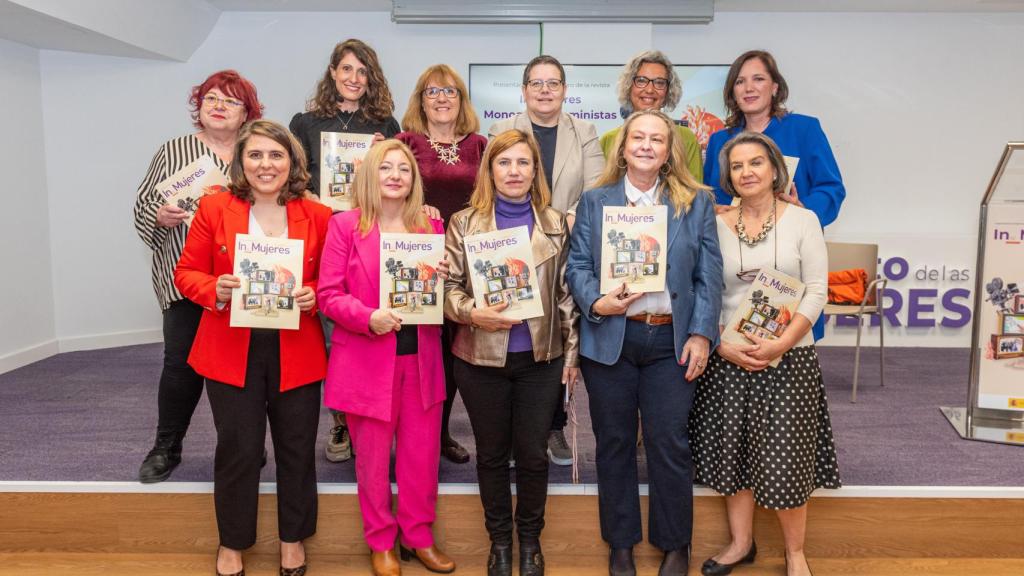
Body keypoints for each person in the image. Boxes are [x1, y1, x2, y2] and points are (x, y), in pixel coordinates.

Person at [566, 110, 722, 576]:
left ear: (669, 149)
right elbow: (577, 266)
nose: (648, 145)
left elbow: (708, 276)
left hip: (670, 341)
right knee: (613, 443)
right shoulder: (595, 201)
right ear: (624, 144)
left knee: (668, 442)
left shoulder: (695, 202)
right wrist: (597, 301)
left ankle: (676, 544)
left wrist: (701, 334)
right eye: (639, 137)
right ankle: (620, 543)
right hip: (612, 338)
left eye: (658, 138)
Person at [174, 119, 332, 576]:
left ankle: (292, 539)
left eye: (276, 155)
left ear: (292, 161)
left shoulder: (318, 215)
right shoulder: (214, 208)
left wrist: (315, 293)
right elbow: (186, 273)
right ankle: (232, 542)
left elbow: (335, 279)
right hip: (230, 345)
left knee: (298, 447)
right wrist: (215, 289)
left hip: (296, 346)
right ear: (241, 161)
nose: (266, 164)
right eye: (256, 155)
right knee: (239, 447)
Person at [690, 131, 841, 576]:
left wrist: (781, 342)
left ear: (775, 169)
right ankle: (741, 544)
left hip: (789, 359)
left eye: (756, 163)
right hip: (730, 358)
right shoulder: (716, 223)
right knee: (733, 454)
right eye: (737, 166)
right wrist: (720, 343)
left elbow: (816, 291)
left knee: (786, 457)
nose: (747, 172)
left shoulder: (803, 220)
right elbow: (707, 291)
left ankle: (795, 554)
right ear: (728, 177)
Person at [444, 129, 579, 576]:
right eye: (504, 163)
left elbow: (565, 296)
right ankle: (500, 541)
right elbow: (447, 289)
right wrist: (473, 312)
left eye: (523, 163)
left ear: (535, 170)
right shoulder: (464, 223)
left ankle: (531, 541)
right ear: (490, 170)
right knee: (492, 454)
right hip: (479, 359)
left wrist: (572, 356)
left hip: (540, 359)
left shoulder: (555, 223)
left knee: (535, 454)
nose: (514, 171)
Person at [319, 139, 455, 576]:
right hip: (367, 357)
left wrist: (443, 279)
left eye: (404, 169)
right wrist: (367, 317)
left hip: (422, 358)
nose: (395, 175)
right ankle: (380, 541)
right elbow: (327, 295)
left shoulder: (431, 229)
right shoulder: (344, 226)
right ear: (369, 175)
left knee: (421, 455)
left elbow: (442, 295)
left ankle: (419, 536)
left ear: (414, 179)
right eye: (386, 168)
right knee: (373, 460)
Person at [133, 70, 262, 484]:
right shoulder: (174, 150)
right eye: (211, 99)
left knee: (244, 368)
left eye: (230, 101)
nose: (219, 107)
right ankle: (166, 446)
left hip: (245, 282)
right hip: (188, 278)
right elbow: (142, 205)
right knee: (180, 366)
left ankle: (246, 444)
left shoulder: (256, 152)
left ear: (246, 113)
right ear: (199, 106)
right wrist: (159, 215)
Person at [487, 54, 604, 467]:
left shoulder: (584, 130)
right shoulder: (503, 129)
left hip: (567, 240)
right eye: (536, 83)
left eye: (553, 83)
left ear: (565, 90)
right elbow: (491, 181)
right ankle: (514, 426)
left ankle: (553, 424)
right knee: (519, 331)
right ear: (523, 90)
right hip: (514, 241)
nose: (545, 90)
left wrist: (566, 217)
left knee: (558, 328)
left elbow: (594, 188)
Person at [289, 38, 402, 464]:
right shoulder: (305, 122)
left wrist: (382, 155)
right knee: (332, 334)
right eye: (347, 69)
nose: (354, 78)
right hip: (322, 233)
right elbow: (290, 177)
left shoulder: (385, 125)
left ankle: (372, 415)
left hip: (371, 235)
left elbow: (398, 176)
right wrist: (313, 195)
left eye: (362, 71)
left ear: (371, 78)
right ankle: (340, 419)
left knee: (366, 328)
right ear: (333, 72)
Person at [702, 49, 846, 341]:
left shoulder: (805, 129)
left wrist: (801, 209)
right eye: (740, 82)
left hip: (787, 258)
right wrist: (714, 210)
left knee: (788, 346)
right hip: (735, 260)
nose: (749, 88)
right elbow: (711, 197)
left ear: (775, 86)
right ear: (732, 91)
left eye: (758, 79)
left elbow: (831, 189)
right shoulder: (719, 140)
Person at [398, 64, 489, 464]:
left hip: (467, 259)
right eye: (432, 91)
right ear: (421, 100)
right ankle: (411, 430)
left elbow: (492, 194)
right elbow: (386, 188)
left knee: (455, 350)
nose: (441, 98)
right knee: (421, 347)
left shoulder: (480, 145)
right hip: (419, 258)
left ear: (462, 100)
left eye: (450, 91)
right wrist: (415, 209)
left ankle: (440, 433)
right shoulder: (405, 142)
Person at [599, 50, 703, 183]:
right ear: (629, 87)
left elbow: (694, 194)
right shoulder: (609, 140)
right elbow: (602, 192)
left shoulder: (686, 138)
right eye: (641, 81)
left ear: (668, 91)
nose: (649, 90)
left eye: (659, 83)